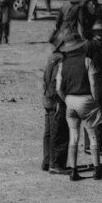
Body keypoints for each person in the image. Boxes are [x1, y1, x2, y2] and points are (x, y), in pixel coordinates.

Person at [55, 33, 102, 181]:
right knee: (92, 135)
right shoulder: (87, 61)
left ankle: (73, 171)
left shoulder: (63, 64)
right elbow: (94, 84)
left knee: (74, 137)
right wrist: (95, 102)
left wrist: (66, 99)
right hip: (85, 99)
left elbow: (59, 88)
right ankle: (97, 169)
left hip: (70, 101)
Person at [41, 42, 70, 174]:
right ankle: (56, 164)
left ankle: (47, 161)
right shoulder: (62, 60)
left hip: (47, 98)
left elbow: (44, 79)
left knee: (48, 132)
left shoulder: (52, 56)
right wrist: (59, 101)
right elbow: (56, 82)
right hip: (55, 100)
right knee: (59, 131)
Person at [83, 19, 102, 156]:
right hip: (94, 82)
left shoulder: (100, 44)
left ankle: (98, 144)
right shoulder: (90, 45)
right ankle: (90, 146)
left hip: (101, 81)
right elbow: (86, 64)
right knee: (95, 114)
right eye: (100, 31)